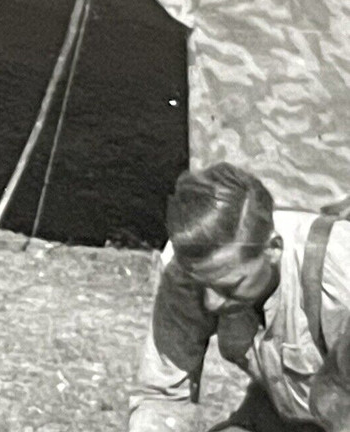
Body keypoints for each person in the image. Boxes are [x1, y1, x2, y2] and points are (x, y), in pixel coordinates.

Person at [127, 162, 350, 432]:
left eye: (229, 287)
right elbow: (161, 398)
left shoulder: (339, 271)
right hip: (280, 417)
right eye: (202, 286)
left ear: (273, 249)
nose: (210, 302)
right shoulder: (189, 268)